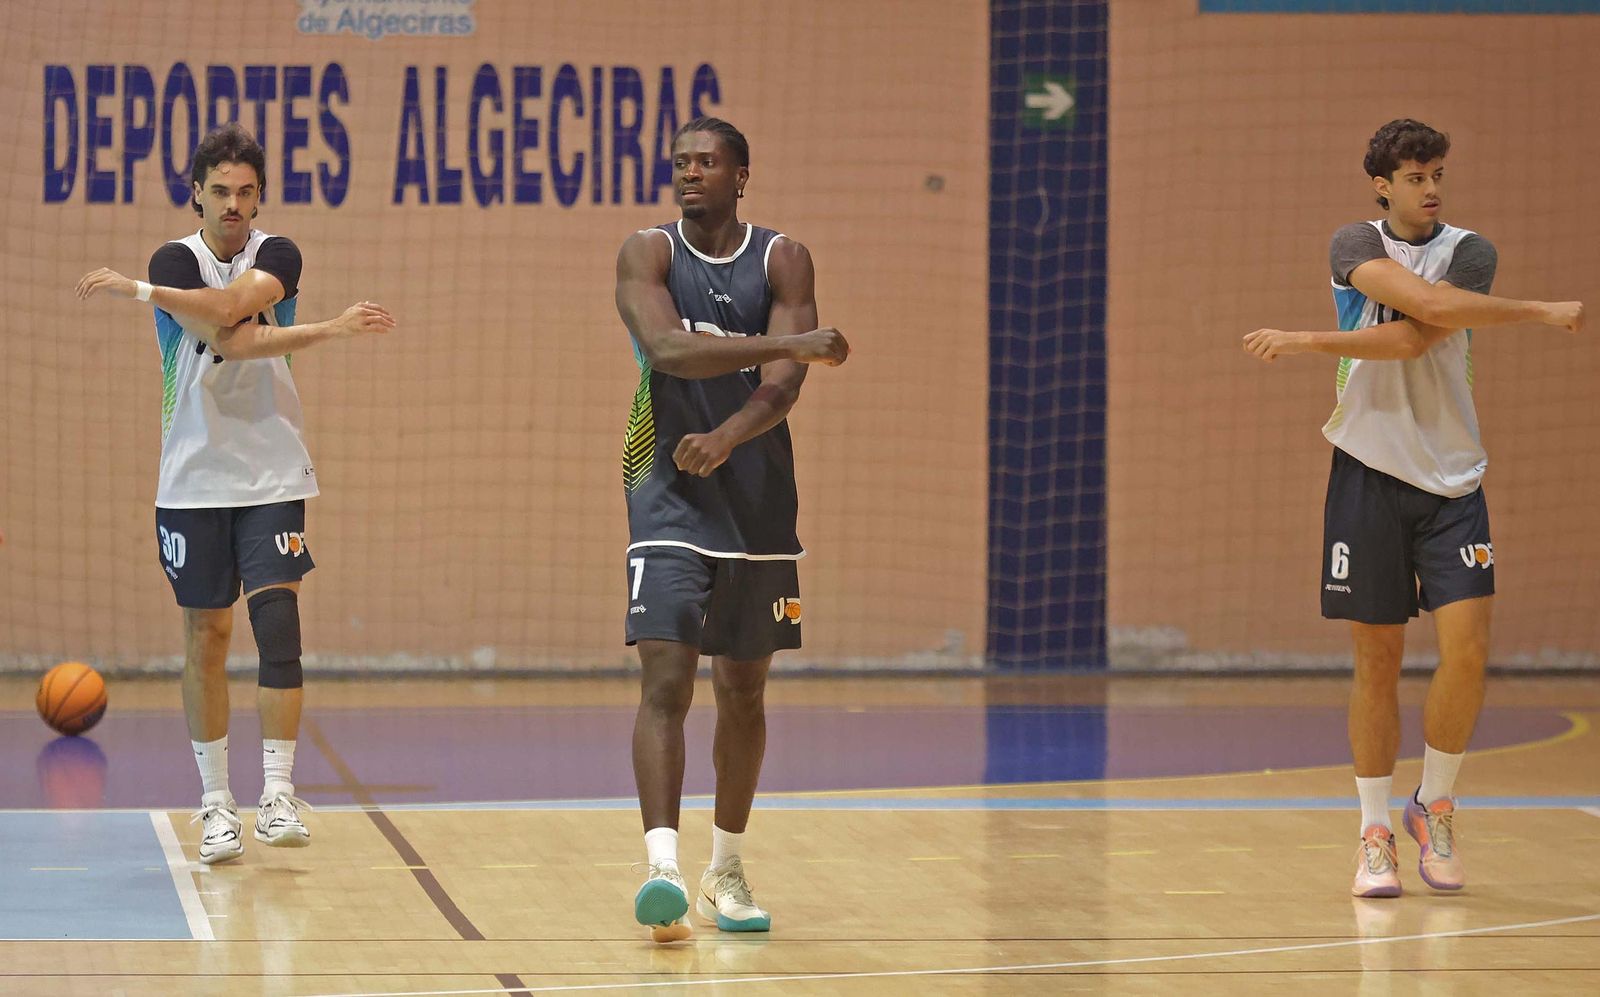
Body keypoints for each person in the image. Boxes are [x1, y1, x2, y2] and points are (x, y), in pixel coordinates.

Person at [1243, 118, 1583, 898]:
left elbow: (1422, 333)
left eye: (1438, 175)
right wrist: (1539, 310)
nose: (1431, 189)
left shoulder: (1472, 251)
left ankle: (1434, 803)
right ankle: (1374, 832)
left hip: (1453, 479)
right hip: (1366, 472)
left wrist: (1303, 340)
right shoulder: (1353, 243)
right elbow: (1411, 319)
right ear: (1382, 185)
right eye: (1416, 177)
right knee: (1377, 660)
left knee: (1467, 649)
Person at [75, 123, 394, 864]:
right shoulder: (172, 260)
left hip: (273, 469)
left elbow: (234, 313)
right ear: (196, 193)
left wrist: (138, 295)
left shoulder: (278, 254)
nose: (233, 204)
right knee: (207, 636)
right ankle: (217, 803)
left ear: (259, 197)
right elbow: (227, 334)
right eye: (219, 191)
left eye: (245, 192)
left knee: (278, 624)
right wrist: (332, 329)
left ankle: (277, 793)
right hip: (192, 477)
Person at [613, 116, 849, 941]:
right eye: (681, 161)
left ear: (741, 176)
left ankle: (726, 867)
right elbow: (667, 349)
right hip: (667, 492)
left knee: (743, 691)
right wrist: (792, 340)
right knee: (666, 680)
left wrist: (728, 435)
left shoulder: (783, 258)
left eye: (707, 162)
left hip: (757, 499)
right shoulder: (649, 252)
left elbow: (784, 385)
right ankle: (662, 868)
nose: (690, 172)